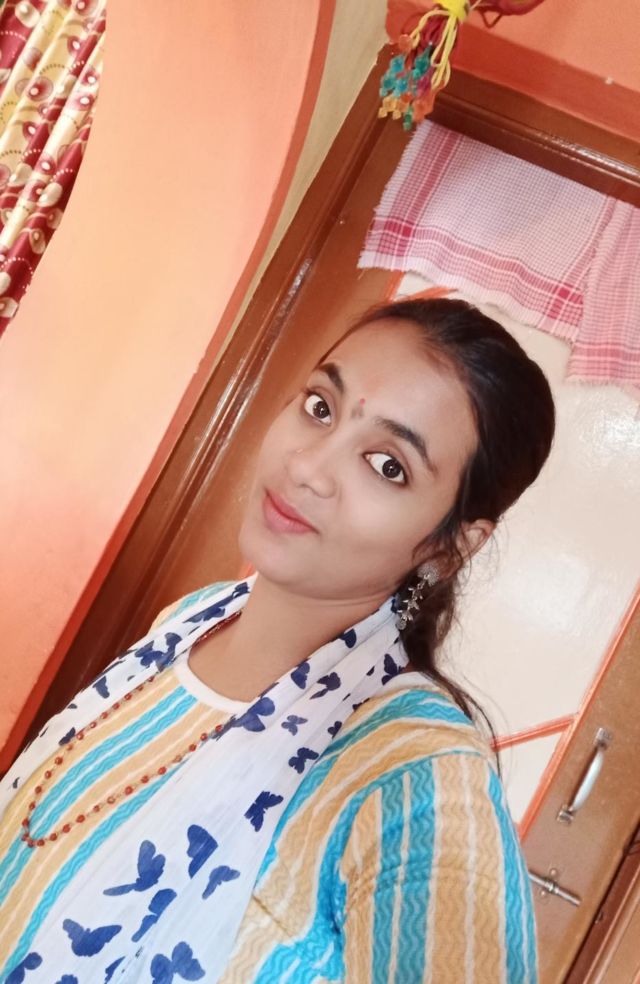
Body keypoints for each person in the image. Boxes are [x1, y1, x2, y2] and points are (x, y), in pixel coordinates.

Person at [0, 296, 554, 983]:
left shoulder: (417, 778)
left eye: (388, 465)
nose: (307, 467)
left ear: (450, 547)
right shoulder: (193, 617)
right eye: (320, 407)